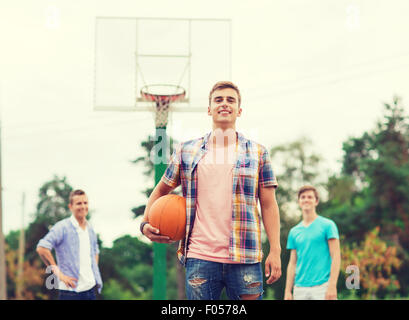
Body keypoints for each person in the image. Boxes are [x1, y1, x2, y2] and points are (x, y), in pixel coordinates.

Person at [140, 81, 282, 300]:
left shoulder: (258, 153)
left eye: (230, 100)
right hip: (200, 257)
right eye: (218, 100)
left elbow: (269, 204)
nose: (224, 104)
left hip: (245, 255)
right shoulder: (187, 150)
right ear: (209, 109)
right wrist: (145, 223)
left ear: (239, 110)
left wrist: (275, 249)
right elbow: (160, 190)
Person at [36, 189, 103, 300]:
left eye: (85, 203)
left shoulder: (90, 228)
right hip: (70, 292)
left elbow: (95, 251)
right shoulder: (62, 227)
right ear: (70, 206)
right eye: (78, 203)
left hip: (90, 289)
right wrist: (58, 273)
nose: (83, 206)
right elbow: (42, 248)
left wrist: (93, 272)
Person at [284, 185, 340, 300]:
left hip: (323, 287)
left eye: (310, 197)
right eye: (303, 197)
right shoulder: (294, 232)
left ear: (316, 201)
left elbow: (336, 256)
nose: (306, 200)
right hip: (299, 289)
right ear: (299, 202)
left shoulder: (328, 225)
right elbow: (292, 263)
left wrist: (332, 286)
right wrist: (288, 291)